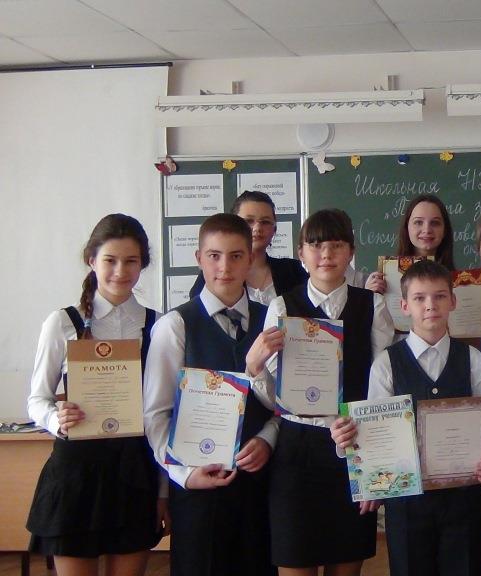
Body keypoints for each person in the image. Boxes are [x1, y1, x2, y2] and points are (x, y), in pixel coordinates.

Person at [244, 209, 394, 576]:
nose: (326, 254)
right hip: (296, 452)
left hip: (353, 446)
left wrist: (375, 468)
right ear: (301, 254)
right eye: (315, 245)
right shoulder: (282, 306)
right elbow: (272, 399)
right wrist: (255, 367)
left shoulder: (372, 305)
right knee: (295, 560)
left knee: (347, 563)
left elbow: (383, 390)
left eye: (337, 245)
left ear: (351, 252)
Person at [332, 260, 481, 576]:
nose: (430, 305)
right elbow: (374, 433)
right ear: (405, 306)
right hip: (407, 505)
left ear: (453, 301)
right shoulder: (386, 364)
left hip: (464, 502)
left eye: (439, 296)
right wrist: (355, 453)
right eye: (420, 298)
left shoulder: (473, 360)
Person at [26, 214, 167, 576]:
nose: (121, 271)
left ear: (143, 265)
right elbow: (37, 399)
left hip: (136, 471)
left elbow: (166, 411)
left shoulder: (159, 325)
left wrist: (163, 490)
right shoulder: (63, 322)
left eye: (131, 261)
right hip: (76, 473)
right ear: (92, 260)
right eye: (110, 260)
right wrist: (56, 418)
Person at [143, 213, 278, 576]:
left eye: (236, 256)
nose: (225, 267)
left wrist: (268, 439)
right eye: (214, 256)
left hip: (260, 486)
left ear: (250, 258)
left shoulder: (273, 322)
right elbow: (156, 415)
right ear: (199, 259)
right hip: (198, 489)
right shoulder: (174, 326)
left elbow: (286, 405)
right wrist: (185, 474)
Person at [189, 190, 307, 304]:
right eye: (248, 221)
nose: (257, 228)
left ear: (274, 229)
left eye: (265, 222)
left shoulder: (293, 271)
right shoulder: (213, 277)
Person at [366, 194, 456, 293]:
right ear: (407, 227)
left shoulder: (457, 283)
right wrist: (368, 295)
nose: (427, 230)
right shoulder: (385, 278)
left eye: (435, 223)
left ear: (445, 230)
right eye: (418, 222)